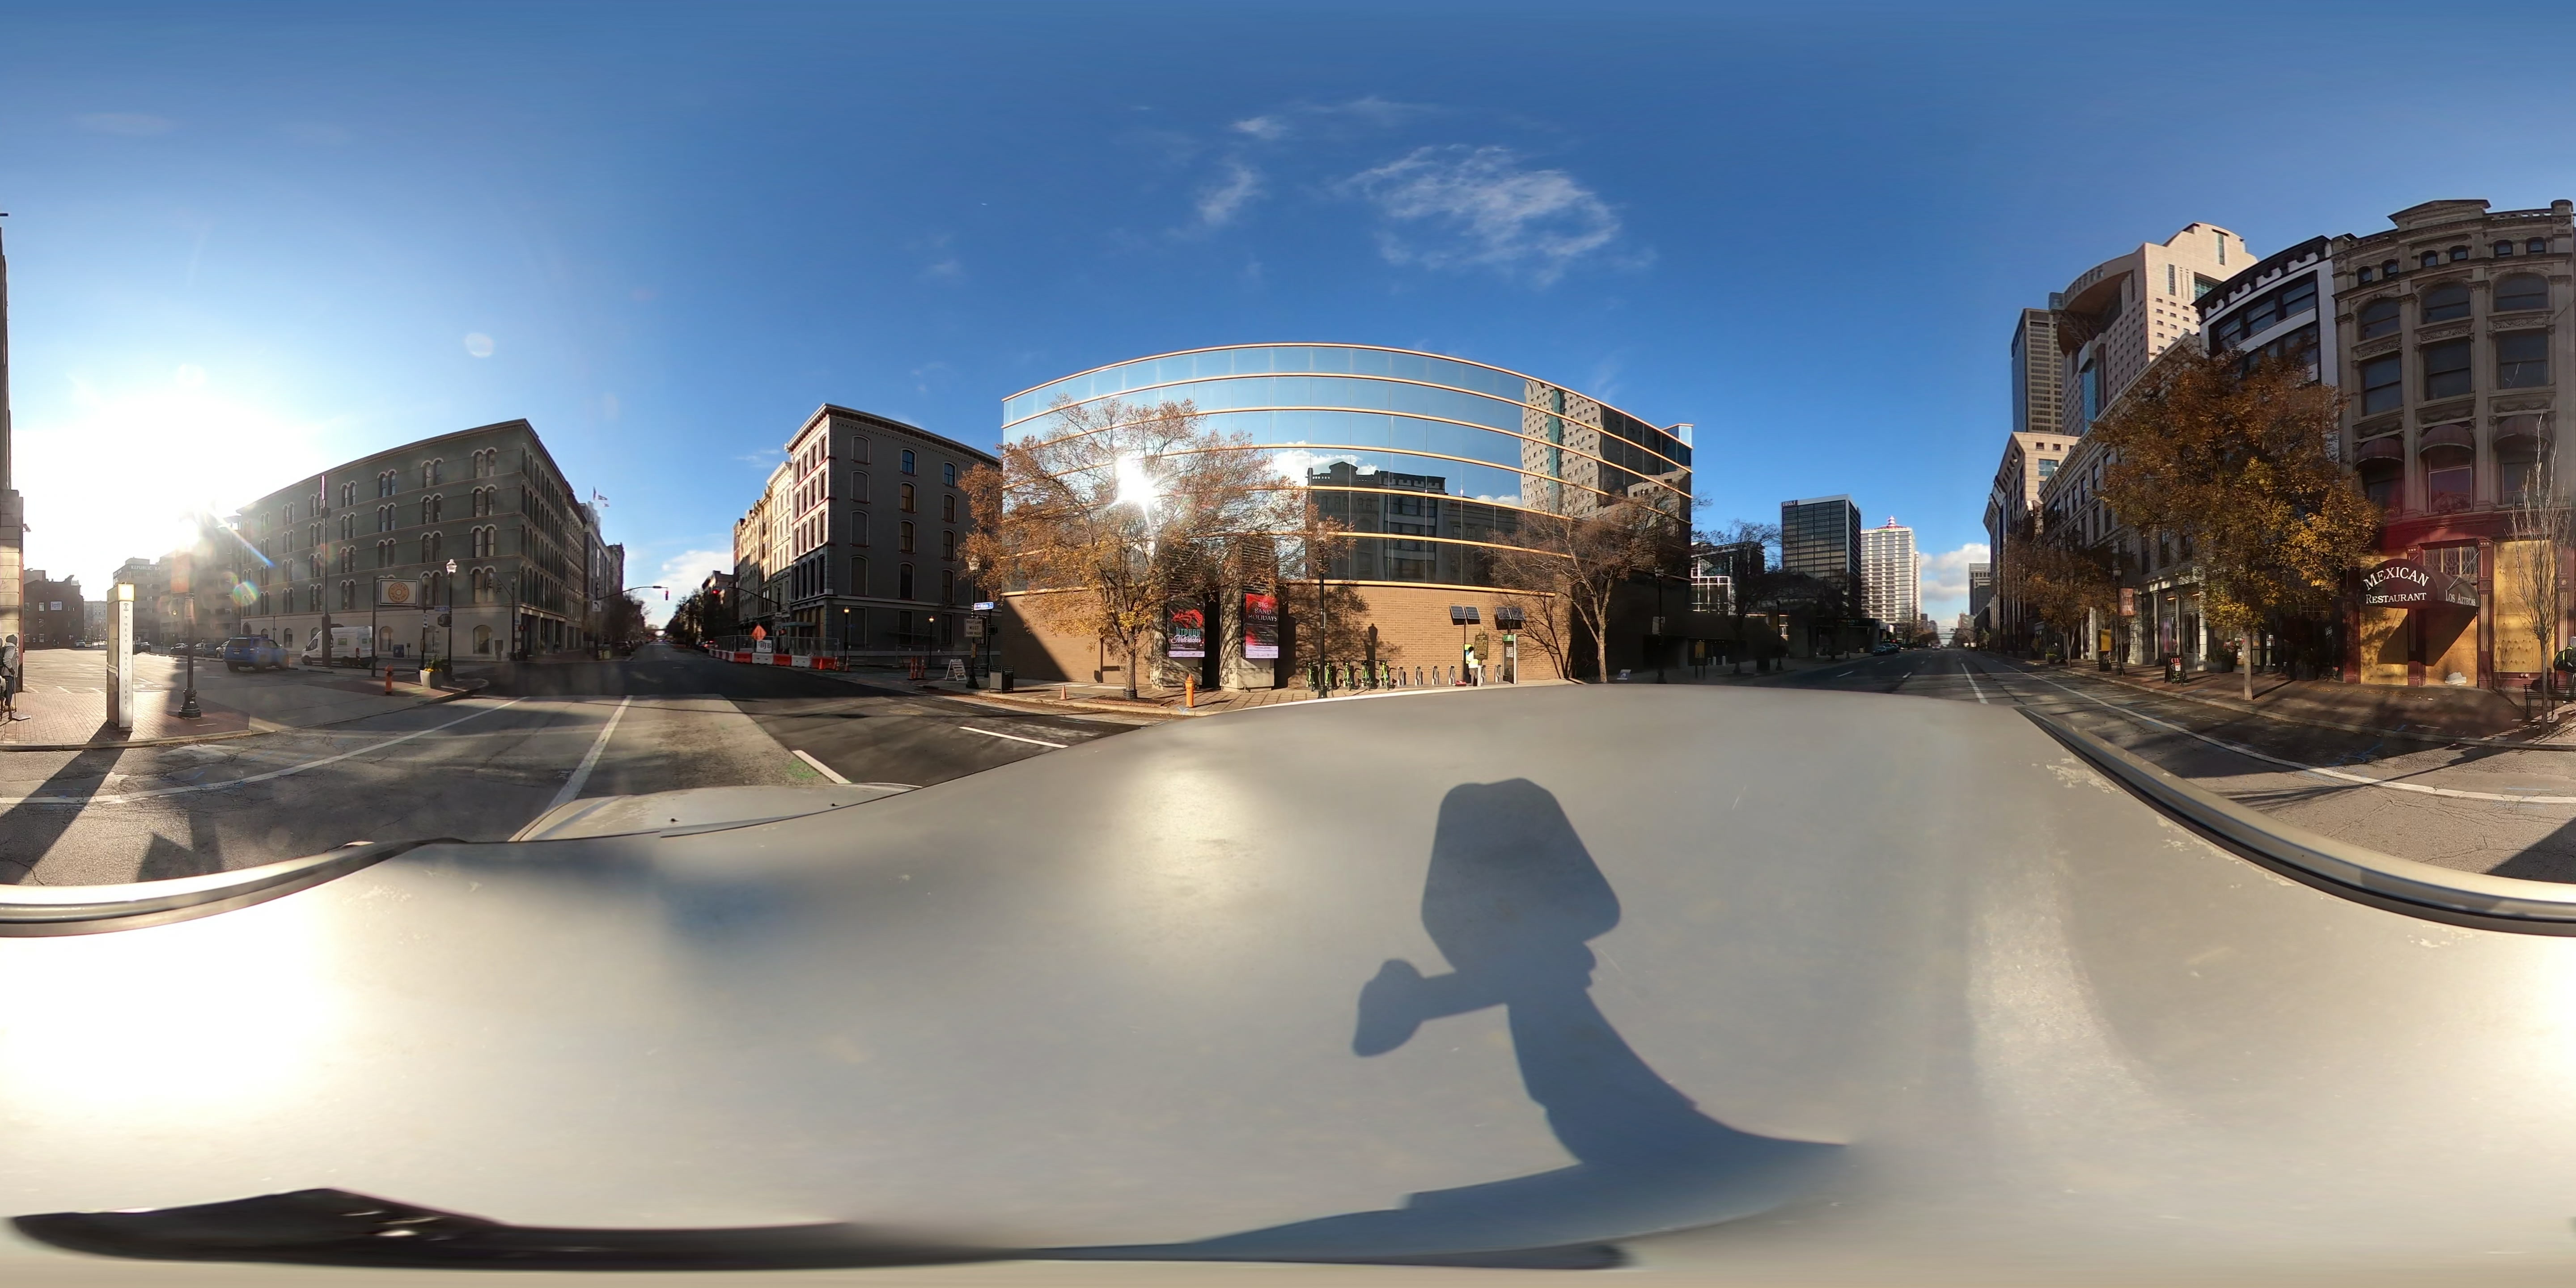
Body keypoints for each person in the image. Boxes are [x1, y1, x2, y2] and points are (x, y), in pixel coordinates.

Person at [0, 633, 23, 722]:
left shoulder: (7, 648)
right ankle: (7, 706)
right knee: (10, 689)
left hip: (7, 673)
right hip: (8, 674)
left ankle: (6, 704)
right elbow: (6, 660)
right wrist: (11, 669)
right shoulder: (11, 649)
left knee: (10, 689)